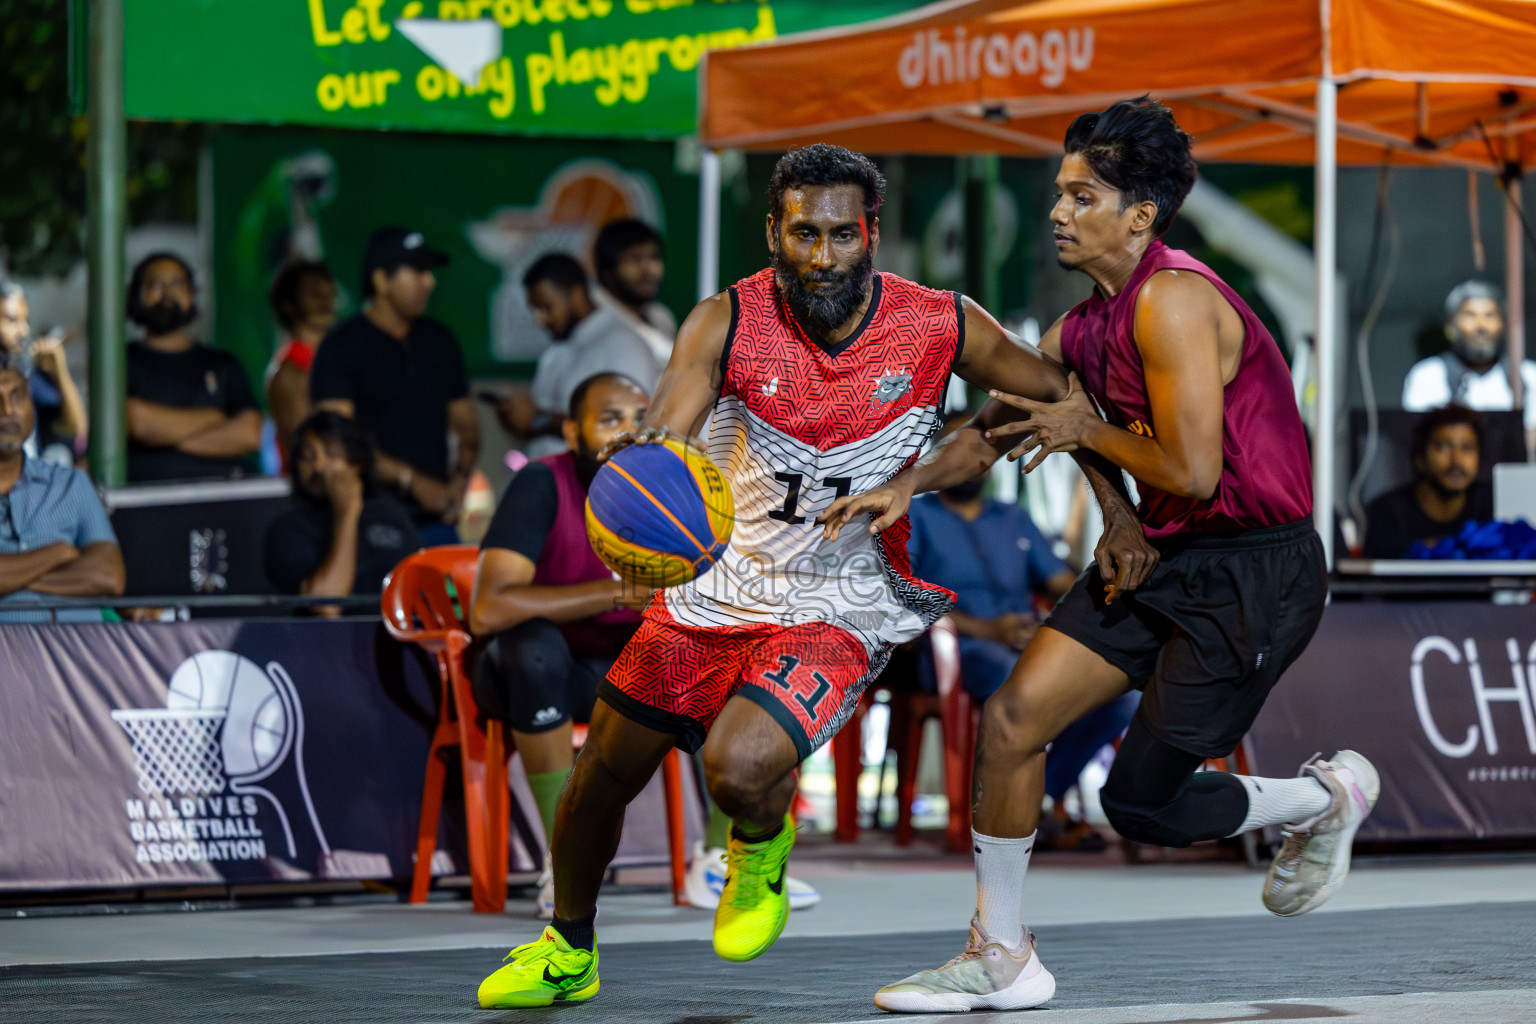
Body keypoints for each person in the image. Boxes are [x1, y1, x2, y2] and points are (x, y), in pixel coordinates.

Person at [475, 143, 1150, 1009]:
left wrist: (1117, 512)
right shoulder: (725, 320)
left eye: (840, 234)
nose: (823, 254)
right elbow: (673, 415)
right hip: (721, 579)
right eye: (803, 234)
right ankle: (568, 946)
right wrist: (655, 470)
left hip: (844, 592)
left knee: (737, 764)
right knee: (605, 766)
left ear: (870, 233)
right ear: (773, 233)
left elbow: (1065, 400)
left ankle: (758, 845)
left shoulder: (941, 323)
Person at [825, 99, 1379, 1013]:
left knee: (1141, 807)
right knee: (1010, 724)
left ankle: (1324, 797)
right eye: (1057, 193)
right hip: (1157, 557)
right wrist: (907, 485)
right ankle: (1000, 954)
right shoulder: (1080, 329)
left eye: (1082, 195)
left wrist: (1091, 437)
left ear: (1140, 215)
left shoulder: (1174, 301)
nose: (1057, 211)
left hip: (1254, 571)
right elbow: (995, 433)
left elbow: (1195, 472)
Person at [469, 372, 819, 920]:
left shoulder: (681, 486)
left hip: (615, 670)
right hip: (526, 673)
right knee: (532, 648)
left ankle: (723, 860)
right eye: (610, 418)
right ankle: (558, 861)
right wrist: (614, 595)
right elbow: (490, 608)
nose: (627, 431)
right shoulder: (543, 484)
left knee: (731, 651)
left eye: (638, 417)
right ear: (571, 431)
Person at [907, 448, 1135, 853]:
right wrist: (988, 629)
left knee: (1122, 695)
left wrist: (1104, 585)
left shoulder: (1012, 517)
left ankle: (1037, 801)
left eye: (976, 457)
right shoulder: (917, 516)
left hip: (1024, 645)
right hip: (958, 651)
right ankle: (1014, 810)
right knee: (1021, 683)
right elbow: (904, 596)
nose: (968, 465)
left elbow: (1060, 582)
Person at [310, 227, 479, 546]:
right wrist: (411, 481)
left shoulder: (440, 341)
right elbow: (335, 439)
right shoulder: (340, 347)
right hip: (366, 521)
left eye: (428, 272)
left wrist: (459, 481)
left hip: (436, 524)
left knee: (448, 594)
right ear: (381, 281)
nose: (429, 282)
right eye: (417, 272)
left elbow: (467, 425)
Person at [495, 254, 662, 458]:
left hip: (593, 485)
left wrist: (539, 419)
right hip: (548, 477)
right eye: (535, 310)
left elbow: (625, 430)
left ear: (576, 295)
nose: (540, 320)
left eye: (546, 307)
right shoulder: (560, 348)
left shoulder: (623, 344)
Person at [0, 353, 124, 615]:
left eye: (18, 396)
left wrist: (12, 582)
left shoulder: (71, 483)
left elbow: (109, 576)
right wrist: (57, 554)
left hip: (75, 654)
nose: (8, 411)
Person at [124, 253, 262, 482]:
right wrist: (215, 418)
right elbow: (138, 422)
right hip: (144, 499)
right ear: (137, 295)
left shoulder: (223, 364)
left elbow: (249, 434)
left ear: (192, 294)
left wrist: (166, 441)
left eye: (177, 283)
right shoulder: (119, 362)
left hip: (224, 498)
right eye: (155, 284)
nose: (167, 292)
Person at [263, 410, 421, 602]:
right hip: (326, 631)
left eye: (331, 453)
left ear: (357, 463)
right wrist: (346, 513)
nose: (319, 467)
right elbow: (326, 605)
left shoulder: (389, 513)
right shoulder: (287, 530)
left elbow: (420, 591)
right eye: (308, 457)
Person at [1403, 281, 1536, 454]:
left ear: (1503, 325)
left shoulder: (1527, 376)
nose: (1481, 326)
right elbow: (1421, 439)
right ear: (1450, 328)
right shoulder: (1428, 376)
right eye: (1470, 316)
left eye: (1490, 316)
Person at [1362, 405, 1491, 558]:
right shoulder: (1387, 514)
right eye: (1443, 447)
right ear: (1420, 458)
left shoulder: (1493, 507)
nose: (1457, 460)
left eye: (1467, 448)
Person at [0, 277, 88, 465]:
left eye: (26, 321)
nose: (23, 331)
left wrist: (59, 371)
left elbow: (75, 428)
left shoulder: (27, 372)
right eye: (12, 321)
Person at [265, 260, 339, 467]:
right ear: (289, 304)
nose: (326, 301)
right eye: (315, 294)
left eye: (330, 292)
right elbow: (307, 452)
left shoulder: (333, 359)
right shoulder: (289, 372)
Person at [592, 218, 676, 367]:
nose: (648, 270)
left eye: (654, 258)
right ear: (607, 270)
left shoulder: (662, 318)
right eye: (634, 259)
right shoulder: (593, 324)